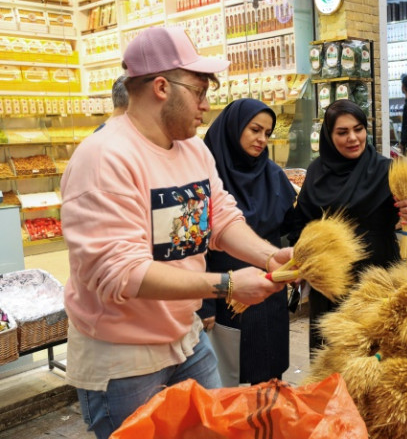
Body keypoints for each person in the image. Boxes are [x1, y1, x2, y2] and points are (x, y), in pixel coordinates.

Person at [60, 27, 292, 439]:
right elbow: (122, 273)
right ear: (162, 87)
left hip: (184, 337)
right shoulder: (103, 159)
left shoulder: (193, 149)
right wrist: (227, 284)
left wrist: (266, 256)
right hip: (123, 356)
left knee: (214, 430)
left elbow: (219, 218)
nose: (207, 105)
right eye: (200, 90)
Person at [290, 99, 407, 352]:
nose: (353, 138)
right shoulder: (316, 172)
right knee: (332, 362)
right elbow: (301, 225)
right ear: (329, 135)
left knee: (376, 362)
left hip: (378, 281)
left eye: (358, 129)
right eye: (342, 132)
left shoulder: (387, 170)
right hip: (331, 285)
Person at [197, 99, 297, 387]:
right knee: (227, 385)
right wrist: (204, 304)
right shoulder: (207, 177)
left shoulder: (273, 174)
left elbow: (293, 225)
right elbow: (197, 245)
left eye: (267, 133)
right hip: (225, 295)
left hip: (268, 291)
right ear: (234, 128)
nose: (261, 139)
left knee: (268, 379)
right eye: (255, 130)